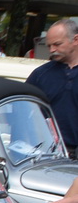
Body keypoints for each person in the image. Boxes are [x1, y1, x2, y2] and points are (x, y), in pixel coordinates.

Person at [29, 17, 78, 150]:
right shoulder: (40, 74)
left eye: (57, 44)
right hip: (47, 152)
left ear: (75, 40)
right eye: (49, 45)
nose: (52, 50)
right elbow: (25, 111)